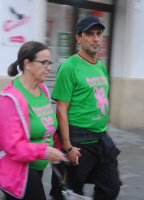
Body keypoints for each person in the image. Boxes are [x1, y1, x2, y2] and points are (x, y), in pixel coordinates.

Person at [0, 41, 72, 200]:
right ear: (27, 64)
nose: (49, 67)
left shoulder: (43, 89)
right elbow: (13, 147)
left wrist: (63, 149)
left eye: (50, 62)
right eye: (43, 62)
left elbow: (48, 127)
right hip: (16, 171)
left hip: (36, 167)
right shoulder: (7, 100)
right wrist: (45, 151)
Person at [50, 16, 121, 200]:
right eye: (90, 34)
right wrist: (68, 147)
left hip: (100, 140)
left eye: (99, 34)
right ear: (78, 38)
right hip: (78, 142)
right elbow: (61, 110)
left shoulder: (101, 67)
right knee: (70, 193)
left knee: (111, 187)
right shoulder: (69, 67)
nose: (96, 38)